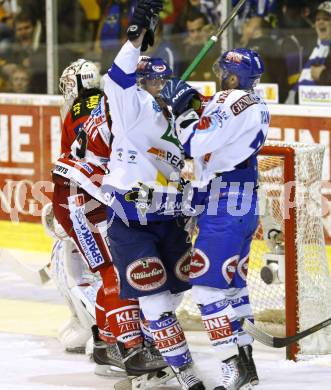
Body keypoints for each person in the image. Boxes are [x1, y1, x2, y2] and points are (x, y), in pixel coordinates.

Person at [102, 1, 205, 389]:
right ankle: (185, 374)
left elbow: (200, 152)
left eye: (160, 82)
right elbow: (118, 77)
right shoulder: (130, 106)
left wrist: (187, 114)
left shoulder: (178, 112)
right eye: (146, 82)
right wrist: (136, 36)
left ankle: (151, 355)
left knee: (177, 291)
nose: (153, 88)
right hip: (132, 220)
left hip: (170, 217)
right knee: (156, 300)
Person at [51, 58, 168, 379]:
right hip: (80, 197)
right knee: (114, 272)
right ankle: (129, 349)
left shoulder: (100, 103)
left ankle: (105, 342)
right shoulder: (98, 104)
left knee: (113, 270)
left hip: (88, 195)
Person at [161, 47, 269, 389]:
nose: (217, 74)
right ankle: (247, 367)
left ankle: (231, 366)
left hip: (225, 203)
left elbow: (194, 142)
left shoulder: (228, 99)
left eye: (222, 70)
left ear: (233, 77)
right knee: (233, 290)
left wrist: (181, 110)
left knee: (207, 291)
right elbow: (214, 111)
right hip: (243, 201)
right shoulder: (253, 102)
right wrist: (192, 98)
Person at [286, 1, 331, 103]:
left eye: (326, 19)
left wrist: (323, 75)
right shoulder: (310, 48)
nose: (320, 22)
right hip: (297, 106)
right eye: (317, 19)